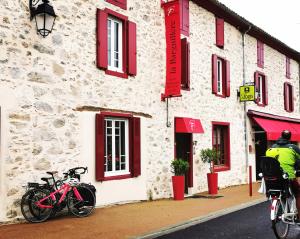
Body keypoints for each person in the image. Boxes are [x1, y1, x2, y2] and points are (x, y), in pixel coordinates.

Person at [265, 130, 300, 218]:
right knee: (298, 193)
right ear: (290, 137)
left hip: (272, 177)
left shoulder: (272, 147)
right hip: (288, 176)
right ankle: (299, 216)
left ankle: (282, 208)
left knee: (279, 190)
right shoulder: (293, 148)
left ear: (281, 136)